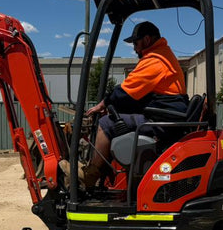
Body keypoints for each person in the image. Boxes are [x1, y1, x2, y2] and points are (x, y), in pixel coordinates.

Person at [78, 21, 188, 189]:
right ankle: (105, 172)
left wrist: (104, 103)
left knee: (105, 124)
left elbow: (124, 93)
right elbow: (135, 96)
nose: (135, 48)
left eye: (136, 43)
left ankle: (90, 176)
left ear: (147, 39)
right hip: (165, 116)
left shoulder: (155, 60)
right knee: (114, 119)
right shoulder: (162, 55)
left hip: (162, 122)